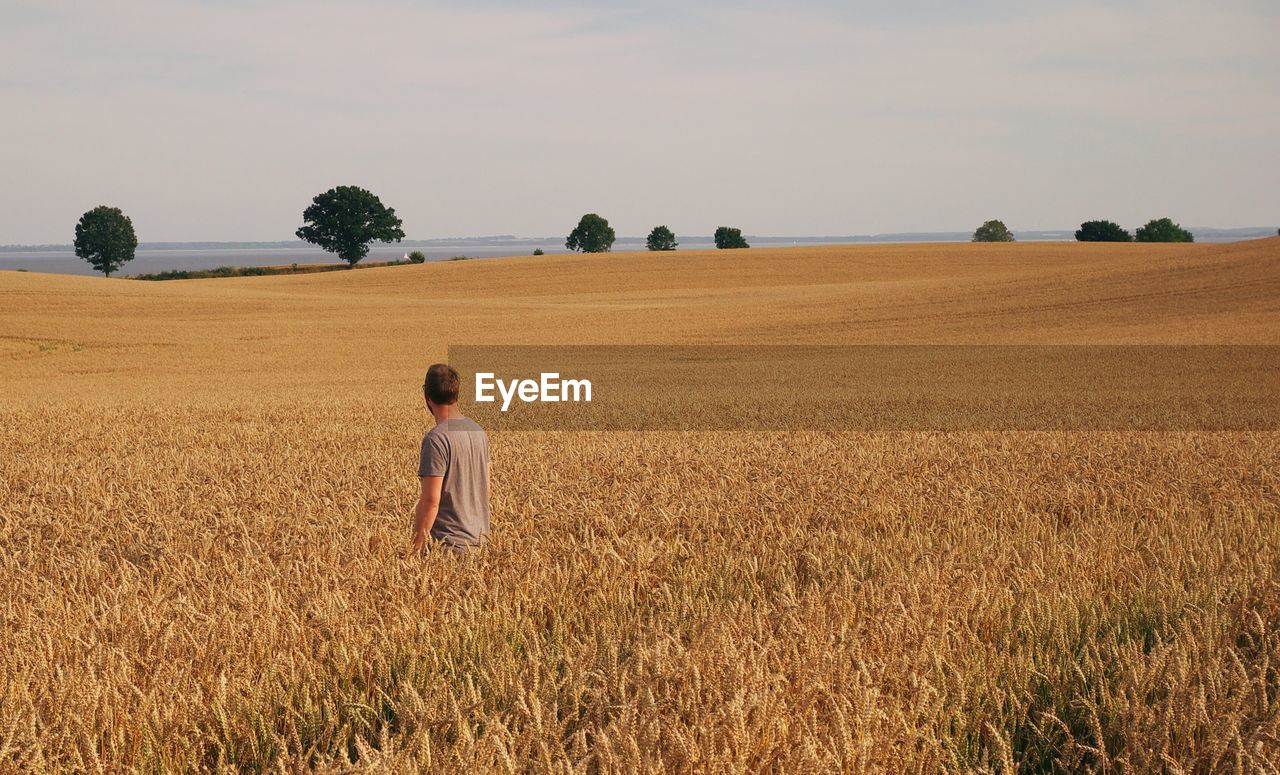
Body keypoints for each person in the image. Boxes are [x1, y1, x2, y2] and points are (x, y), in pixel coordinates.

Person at [410, 363, 491, 555]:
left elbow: (430, 500)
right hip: (480, 544)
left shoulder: (436, 439)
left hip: (448, 548)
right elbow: (486, 489)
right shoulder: (479, 432)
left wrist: (415, 548)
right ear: (457, 395)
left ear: (426, 396)